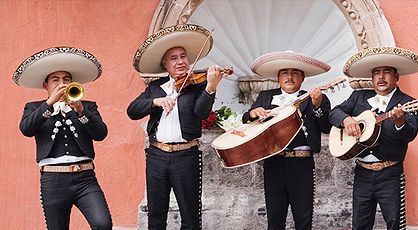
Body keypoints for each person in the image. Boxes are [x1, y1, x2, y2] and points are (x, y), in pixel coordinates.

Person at [127, 24, 225, 229]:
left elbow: (201, 113)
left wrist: (211, 87)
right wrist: (156, 102)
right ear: (165, 64)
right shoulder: (155, 87)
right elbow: (132, 110)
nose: (181, 61)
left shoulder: (198, 85)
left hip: (185, 155)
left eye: (183, 56)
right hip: (157, 156)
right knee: (156, 213)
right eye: (174, 58)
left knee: (190, 215)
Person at [329, 47, 418, 230]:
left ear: (396, 77)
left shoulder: (407, 103)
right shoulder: (358, 97)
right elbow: (334, 113)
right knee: (360, 224)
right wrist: (346, 119)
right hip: (362, 173)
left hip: (391, 173)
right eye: (376, 73)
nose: (381, 77)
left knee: (394, 224)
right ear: (372, 78)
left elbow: (410, 135)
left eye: (387, 72)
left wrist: (400, 122)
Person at [16, 46, 112, 229]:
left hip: (85, 178)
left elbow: (101, 134)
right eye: (55, 80)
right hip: (53, 180)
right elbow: (26, 129)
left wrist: (81, 111)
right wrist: (49, 103)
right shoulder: (33, 107)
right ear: (46, 85)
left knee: (103, 223)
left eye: (66, 79)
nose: (62, 83)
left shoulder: (87, 106)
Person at [242, 51, 332, 229]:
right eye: (285, 73)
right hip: (273, 163)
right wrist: (252, 114)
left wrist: (317, 104)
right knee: (275, 219)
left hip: (302, 164)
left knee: (303, 219)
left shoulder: (314, 97)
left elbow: (326, 126)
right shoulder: (265, 97)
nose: (289, 77)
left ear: (303, 77)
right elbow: (247, 120)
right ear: (278, 76)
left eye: (295, 73)